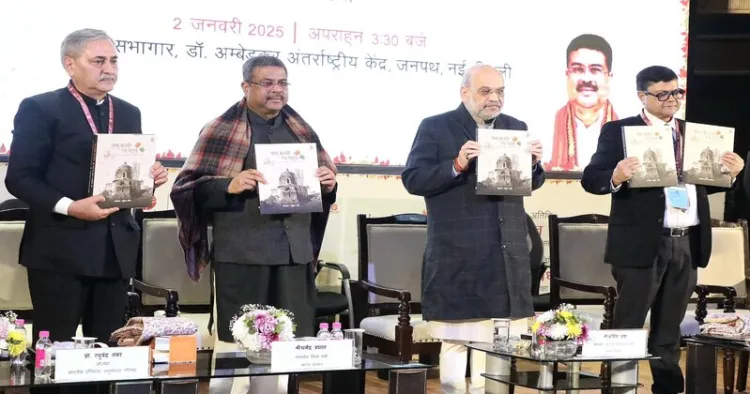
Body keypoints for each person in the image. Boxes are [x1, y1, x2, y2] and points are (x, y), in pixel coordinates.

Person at [5, 28, 168, 393]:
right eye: (98, 61)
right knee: (56, 352)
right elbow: (20, 178)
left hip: (114, 249)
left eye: (113, 60)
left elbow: (120, 176)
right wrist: (69, 207)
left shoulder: (127, 111)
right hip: (60, 247)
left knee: (106, 352)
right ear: (70, 63)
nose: (109, 68)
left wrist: (148, 181)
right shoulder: (40, 107)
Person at [170, 55, 337, 394]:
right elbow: (185, 190)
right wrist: (227, 185)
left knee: (287, 343)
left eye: (282, 83)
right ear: (246, 87)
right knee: (237, 341)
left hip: (294, 254)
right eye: (267, 83)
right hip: (243, 254)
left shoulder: (301, 129)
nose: (277, 90)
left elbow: (323, 188)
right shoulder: (220, 129)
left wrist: (330, 185)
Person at [581, 65, 744, 394]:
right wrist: (616, 176)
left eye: (677, 92)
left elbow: (701, 185)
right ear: (643, 96)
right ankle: (618, 389)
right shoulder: (619, 131)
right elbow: (591, 178)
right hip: (642, 244)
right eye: (662, 94)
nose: (672, 100)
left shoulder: (693, 133)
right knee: (627, 326)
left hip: (686, 243)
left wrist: (733, 174)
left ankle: (668, 389)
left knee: (669, 331)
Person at [402, 64, 544, 394]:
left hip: (505, 250)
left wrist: (535, 165)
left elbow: (530, 183)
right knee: (457, 338)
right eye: (485, 91)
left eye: (500, 91)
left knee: (495, 338)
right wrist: (455, 165)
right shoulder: (436, 127)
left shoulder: (514, 127)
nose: (494, 98)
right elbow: (413, 179)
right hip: (458, 250)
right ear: (464, 92)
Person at [547, 34, 618, 171]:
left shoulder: (626, 129)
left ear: (609, 77)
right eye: (578, 69)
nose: (586, 79)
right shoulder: (544, 128)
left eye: (595, 70)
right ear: (567, 75)